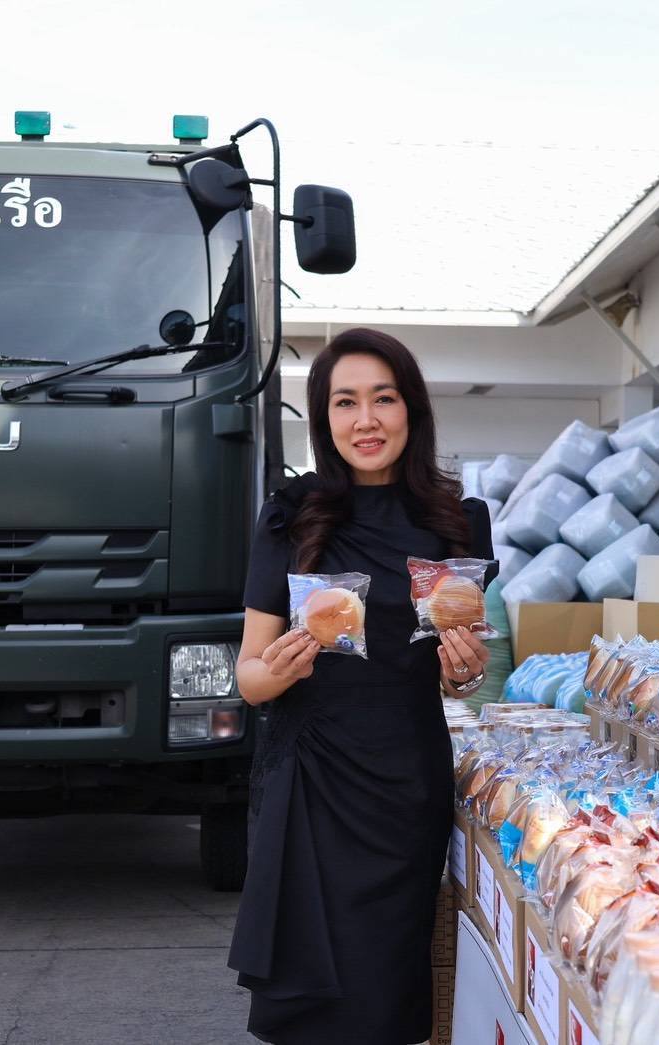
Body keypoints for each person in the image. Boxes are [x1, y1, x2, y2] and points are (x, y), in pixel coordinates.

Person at [228, 328, 495, 1044]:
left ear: (412, 409)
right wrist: (278, 670)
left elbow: (460, 678)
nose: (365, 420)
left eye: (384, 398)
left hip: (405, 782)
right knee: (307, 998)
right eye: (345, 402)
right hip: (310, 780)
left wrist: (464, 670)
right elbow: (248, 677)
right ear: (324, 418)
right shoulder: (294, 516)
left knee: (384, 995)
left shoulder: (454, 522)